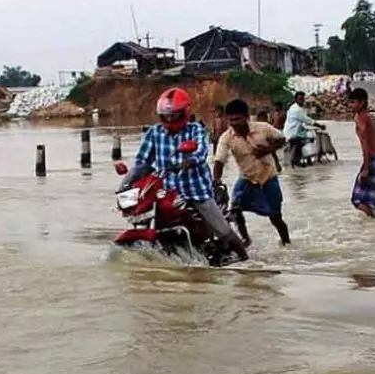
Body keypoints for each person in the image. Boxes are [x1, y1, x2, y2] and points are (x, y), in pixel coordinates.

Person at [126, 87, 249, 261]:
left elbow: (200, 153)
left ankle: (245, 257)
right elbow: (142, 162)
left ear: (184, 112)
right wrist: (127, 182)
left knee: (222, 230)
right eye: (166, 115)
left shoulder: (195, 130)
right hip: (166, 192)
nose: (169, 118)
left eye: (174, 115)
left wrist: (190, 160)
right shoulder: (154, 133)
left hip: (195, 190)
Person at [213, 99, 290, 247]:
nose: (234, 123)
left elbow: (282, 139)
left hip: (269, 177)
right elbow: (219, 161)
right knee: (234, 209)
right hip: (246, 178)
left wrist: (267, 150)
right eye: (231, 120)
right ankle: (245, 239)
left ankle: (286, 243)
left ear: (246, 117)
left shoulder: (263, 128)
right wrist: (216, 179)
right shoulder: (226, 137)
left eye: (238, 119)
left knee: (275, 217)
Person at [349, 88, 375, 217]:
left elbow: (365, 144)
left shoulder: (360, 118)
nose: (351, 105)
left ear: (362, 102)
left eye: (353, 102)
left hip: (372, 160)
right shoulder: (373, 119)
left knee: (358, 199)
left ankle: (373, 223)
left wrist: (366, 167)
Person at [283, 91, 325, 167]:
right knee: (306, 140)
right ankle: (297, 160)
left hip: (291, 131)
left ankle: (306, 159)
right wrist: (319, 125)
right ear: (296, 100)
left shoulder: (294, 107)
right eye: (300, 99)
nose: (302, 101)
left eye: (302, 99)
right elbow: (307, 120)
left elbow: (303, 122)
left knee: (307, 137)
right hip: (292, 133)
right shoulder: (297, 110)